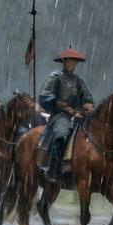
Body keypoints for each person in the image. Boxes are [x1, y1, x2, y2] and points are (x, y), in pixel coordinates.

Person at [38, 48, 94, 184]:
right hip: (60, 115)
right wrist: (56, 102)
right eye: (70, 61)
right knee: (62, 133)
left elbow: (87, 96)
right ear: (64, 62)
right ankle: (53, 169)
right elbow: (45, 96)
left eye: (74, 61)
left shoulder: (78, 80)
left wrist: (88, 104)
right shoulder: (55, 77)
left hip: (79, 115)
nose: (72, 63)